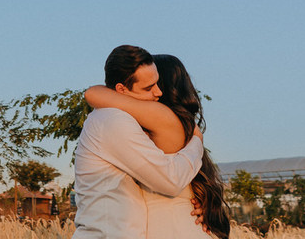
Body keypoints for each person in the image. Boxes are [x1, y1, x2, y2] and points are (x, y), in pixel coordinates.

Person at [85, 53, 230, 239]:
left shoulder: (162, 117)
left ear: (165, 87)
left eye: (155, 83)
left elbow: (93, 93)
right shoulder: (177, 125)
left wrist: (197, 140)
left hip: (169, 229)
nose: (155, 91)